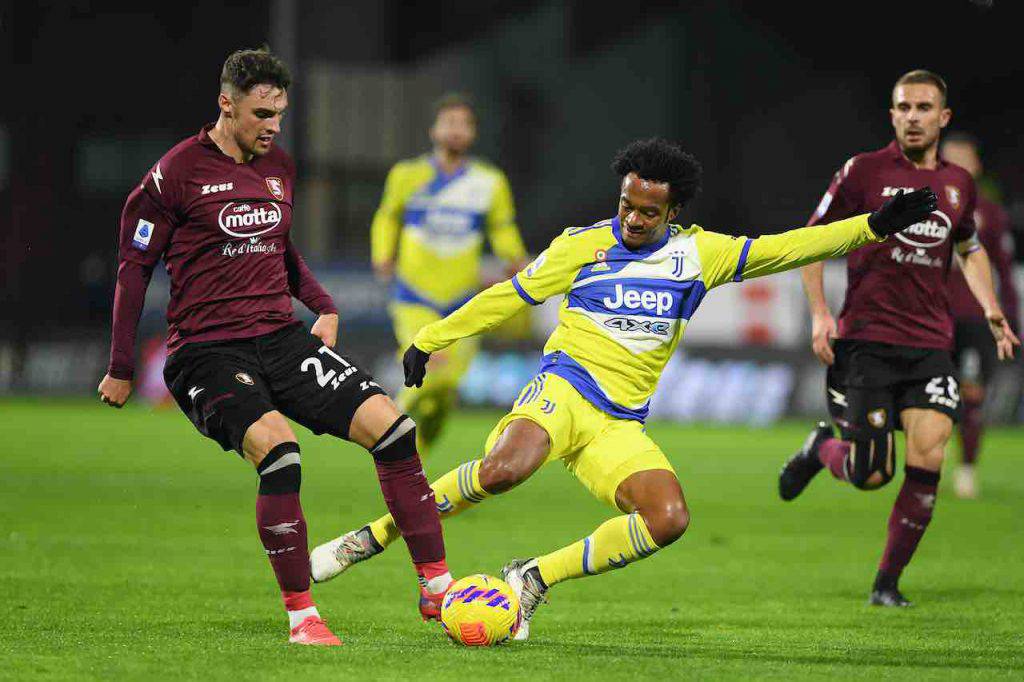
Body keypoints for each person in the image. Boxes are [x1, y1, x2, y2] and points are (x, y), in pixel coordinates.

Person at [310, 137, 936, 639]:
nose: (633, 219)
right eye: (626, 205)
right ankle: (375, 535)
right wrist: (432, 338)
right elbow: (509, 294)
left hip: (619, 423)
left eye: (648, 212)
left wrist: (874, 226)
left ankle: (533, 577)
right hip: (563, 386)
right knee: (504, 470)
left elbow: (789, 247)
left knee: (669, 518)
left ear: (673, 212)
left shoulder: (701, 256)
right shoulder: (582, 245)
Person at [96, 47, 452, 646]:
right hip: (207, 351)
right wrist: (122, 367)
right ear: (225, 104)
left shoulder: (278, 169)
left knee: (395, 430)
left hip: (281, 338)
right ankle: (302, 617)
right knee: (281, 455)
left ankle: (438, 589)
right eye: (262, 113)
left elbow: (283, 253)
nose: (273, 126)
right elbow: (134, 269)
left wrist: (326, 307)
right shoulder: (174, 173)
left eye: (280, 114)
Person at [777, 70, 1020, 606]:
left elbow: (969, 246)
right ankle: (823, 450)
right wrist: (820, 313)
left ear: (943, 117)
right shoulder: (863, 172)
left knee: (929, 457)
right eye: (904, 107)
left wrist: (991, 307)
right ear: (892, 115)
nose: (913, 116)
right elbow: (812, 240)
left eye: (923, 107)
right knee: (871, 474)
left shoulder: (959, 183)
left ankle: (886, 584)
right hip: (866, 342)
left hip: (931, 344)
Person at [370, 93, 528, 454]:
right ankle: (389, 442)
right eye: (449, 123)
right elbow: (387, 216)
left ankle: (418, 452)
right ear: (433, 130)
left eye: (464, 124)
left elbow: (502, 227)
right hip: (414, 296)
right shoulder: (407, 175)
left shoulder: (490, 181)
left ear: (473, 133)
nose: (456, 130)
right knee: (430, 367)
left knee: (445, 389)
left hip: (462, 301)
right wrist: (383, 254)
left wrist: (515, 259)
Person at [939, 132, 1019, 499]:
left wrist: (1009, 317)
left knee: (971, 396)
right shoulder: (921, 206)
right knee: (930, 398)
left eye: (962, 159)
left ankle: (967, 469)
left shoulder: (989, 212)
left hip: (973, 320)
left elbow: (1004, 270)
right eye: (948, 158)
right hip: (931, 318)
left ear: (975, 165)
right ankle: (927, 465)